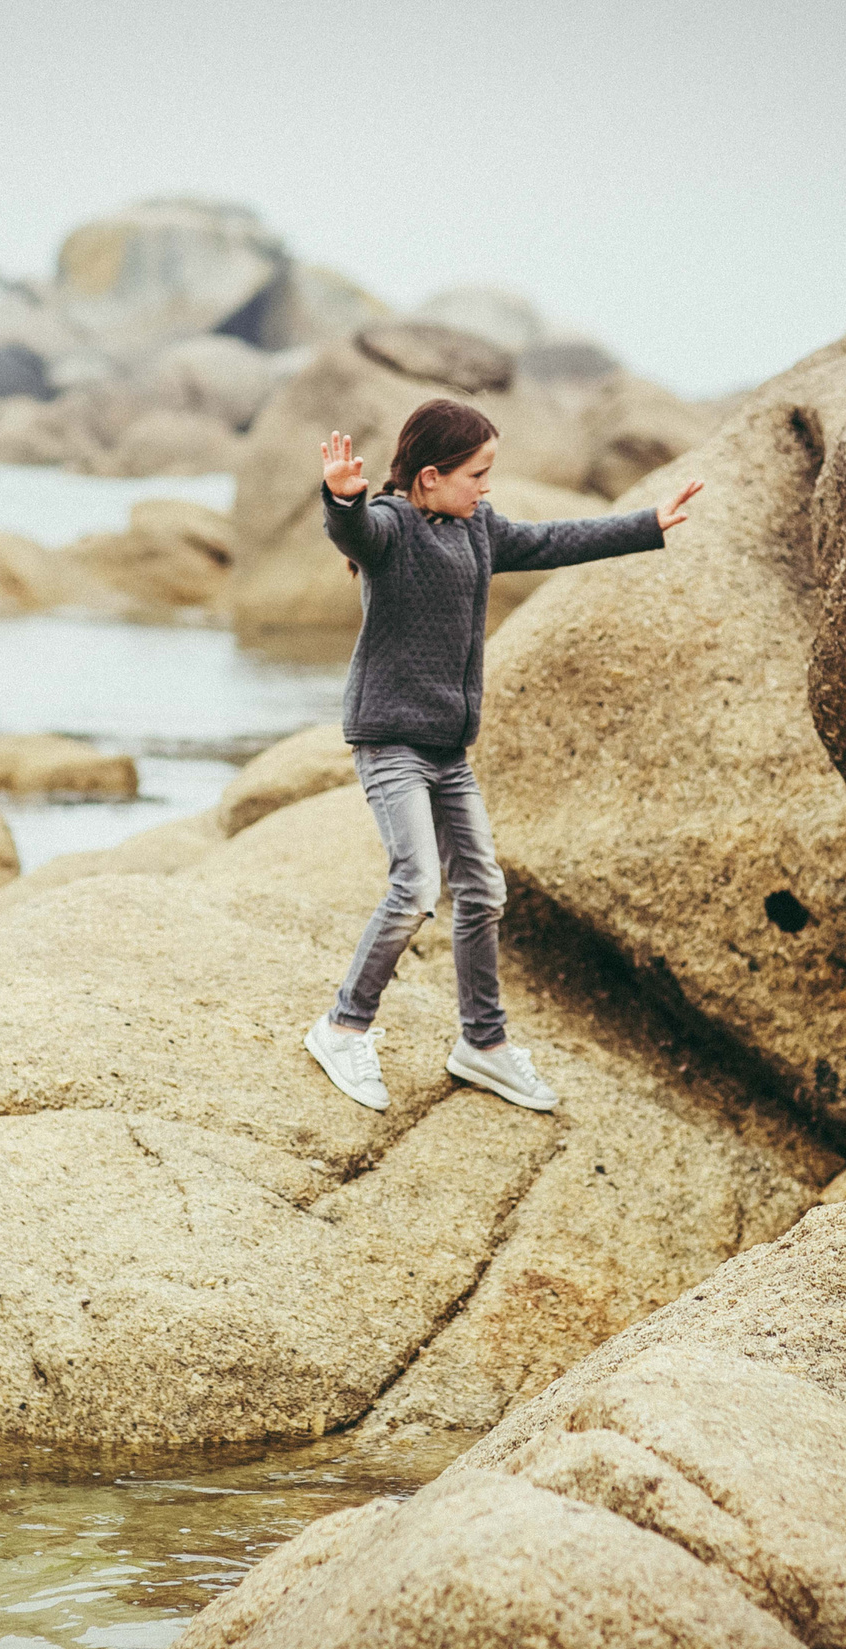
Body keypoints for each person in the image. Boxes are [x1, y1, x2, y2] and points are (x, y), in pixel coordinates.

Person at [302, 398, 702, 1114]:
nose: (487, 487)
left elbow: (550, 542)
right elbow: (355, 529)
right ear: (429, 477)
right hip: (390, 740)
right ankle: (343, 1025)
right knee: (417, 885)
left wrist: (646, 524)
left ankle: (482, 1045)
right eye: (477, 473)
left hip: (449, 752)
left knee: (484, 888)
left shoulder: (479, 528)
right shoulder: (392, 526)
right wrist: (341, 497)